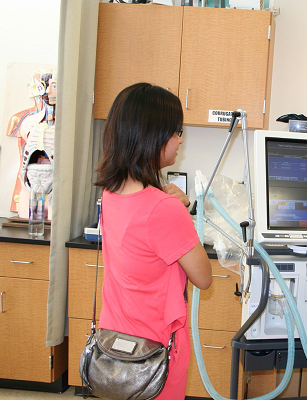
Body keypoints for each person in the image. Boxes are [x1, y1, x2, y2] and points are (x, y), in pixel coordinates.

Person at [95, 82, 212, 399]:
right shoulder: (164, 210)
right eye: (176, 131)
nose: (180, 140)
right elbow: (203, 277)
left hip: (115, 344)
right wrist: (180, 210)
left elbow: (143, 246)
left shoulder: (111, 193)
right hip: (155, 352)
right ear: (153, 137)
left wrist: (170, 202)